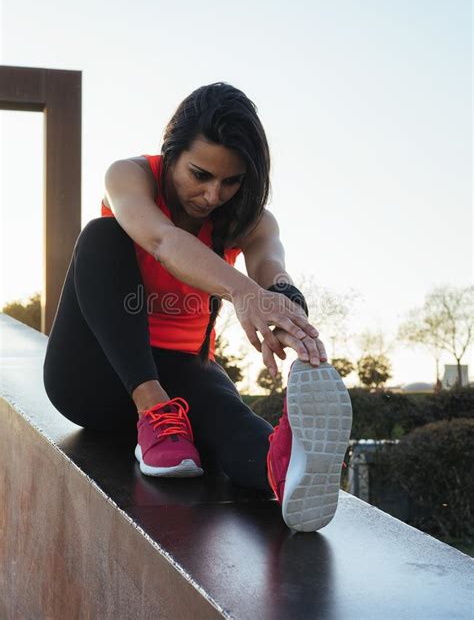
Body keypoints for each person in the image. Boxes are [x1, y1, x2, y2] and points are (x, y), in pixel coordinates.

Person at [43, 82, 352, 533]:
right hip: (95, 375)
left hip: (184, 372)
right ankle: (152, 410)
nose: (212, 196)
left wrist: (287, 313)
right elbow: (162, 241)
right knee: (101, 236)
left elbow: (270, 265)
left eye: (231, 182)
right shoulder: (129, 177)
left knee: (235, 423)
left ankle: (287, 468)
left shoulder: (252, 220)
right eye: (200, 175)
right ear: (171, 153)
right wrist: (244, 292)